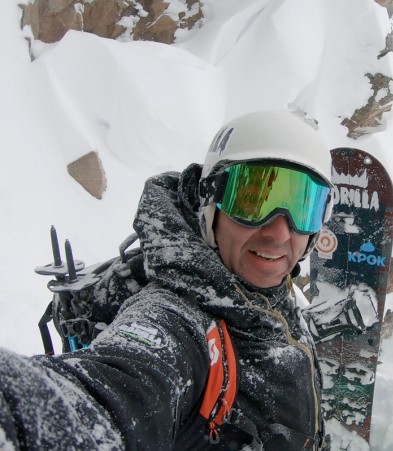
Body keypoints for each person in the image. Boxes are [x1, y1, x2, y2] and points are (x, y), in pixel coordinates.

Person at [0, 110, 333, 450]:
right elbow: (107, 397)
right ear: (210, 203)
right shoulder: (174, 322)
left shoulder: (268, 298)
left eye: (302, 207)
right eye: (253, 200)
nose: (279, 233)